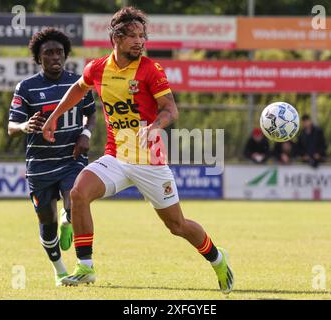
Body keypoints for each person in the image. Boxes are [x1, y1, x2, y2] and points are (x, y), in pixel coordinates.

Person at [41, 7, 233, 293]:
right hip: (116, 157)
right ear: (116, 38)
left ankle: (217, 259)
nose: (140, 42)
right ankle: (86, 268)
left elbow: (171, 110)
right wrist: (55, 115)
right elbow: (80, 89)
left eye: (142, 36)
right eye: (133, 36)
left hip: (150, 162)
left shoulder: (150, 70)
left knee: (177, 226)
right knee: (79, 193)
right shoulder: (98, 68)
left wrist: (155, 126)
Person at [7, 28, 96, 286]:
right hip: (40, 166)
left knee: (76, 202)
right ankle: (59, 271)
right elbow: (12, 126)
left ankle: (70, 221)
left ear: (66, 55)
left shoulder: (78, 83)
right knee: (47, 222)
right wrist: (27, 126)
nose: (55, 57)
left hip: (72, 158)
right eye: (48, 53)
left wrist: (87, 134)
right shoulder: (26, 88)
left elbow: (91, 113)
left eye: (59, 52)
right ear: (39, 58)